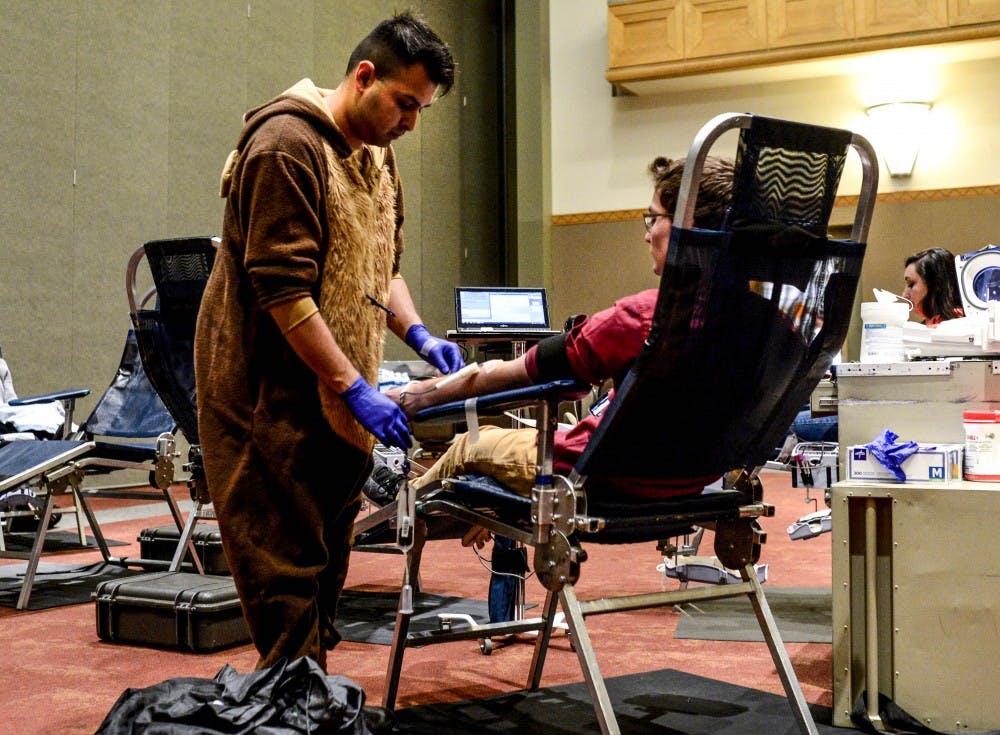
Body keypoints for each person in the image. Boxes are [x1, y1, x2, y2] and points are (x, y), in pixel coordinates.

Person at [194, 12, 460, 677]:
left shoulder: (375, 154)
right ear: (364, 76)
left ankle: (305, 698)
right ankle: (293, 699)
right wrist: (354, 388)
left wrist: (418, 333)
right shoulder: (285, 145)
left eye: (422, 110)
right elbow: (283, 291)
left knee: (323, 576)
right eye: (405, 103)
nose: (411, 123)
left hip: (336, 402)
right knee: (283, 578)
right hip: (267, 401)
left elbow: (381, 266)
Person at [375, 156, 736, 546]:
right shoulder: (756, 324)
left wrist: (413, 398)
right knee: (493, 465)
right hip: (690, 481)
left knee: (471, 444)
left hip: (596, 476)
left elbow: (504, 376)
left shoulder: (642, 319)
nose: (647, 236)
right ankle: (484, 512)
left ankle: (394, 510)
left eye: (654, 219)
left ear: (688, 227)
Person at [903, 247, 965, 325]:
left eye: (911, 284)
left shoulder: (957, 324)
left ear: (936, 285)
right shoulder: (928, 324)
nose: (904, 295)